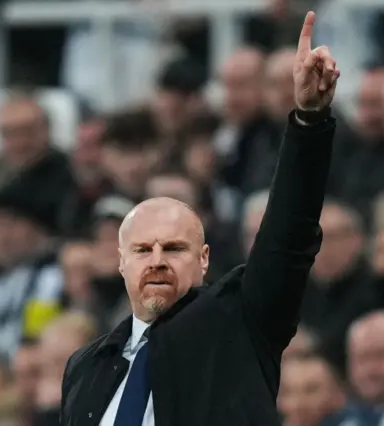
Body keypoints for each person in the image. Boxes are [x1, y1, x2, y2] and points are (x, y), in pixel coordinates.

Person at [60, 11, 339, 426]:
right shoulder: (85, 366)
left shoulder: (240, 322)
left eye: (174, 248)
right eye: (142, 249)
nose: (157, 260)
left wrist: (308, 122)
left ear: (204, 259)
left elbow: (289, 236)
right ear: (121, 261)